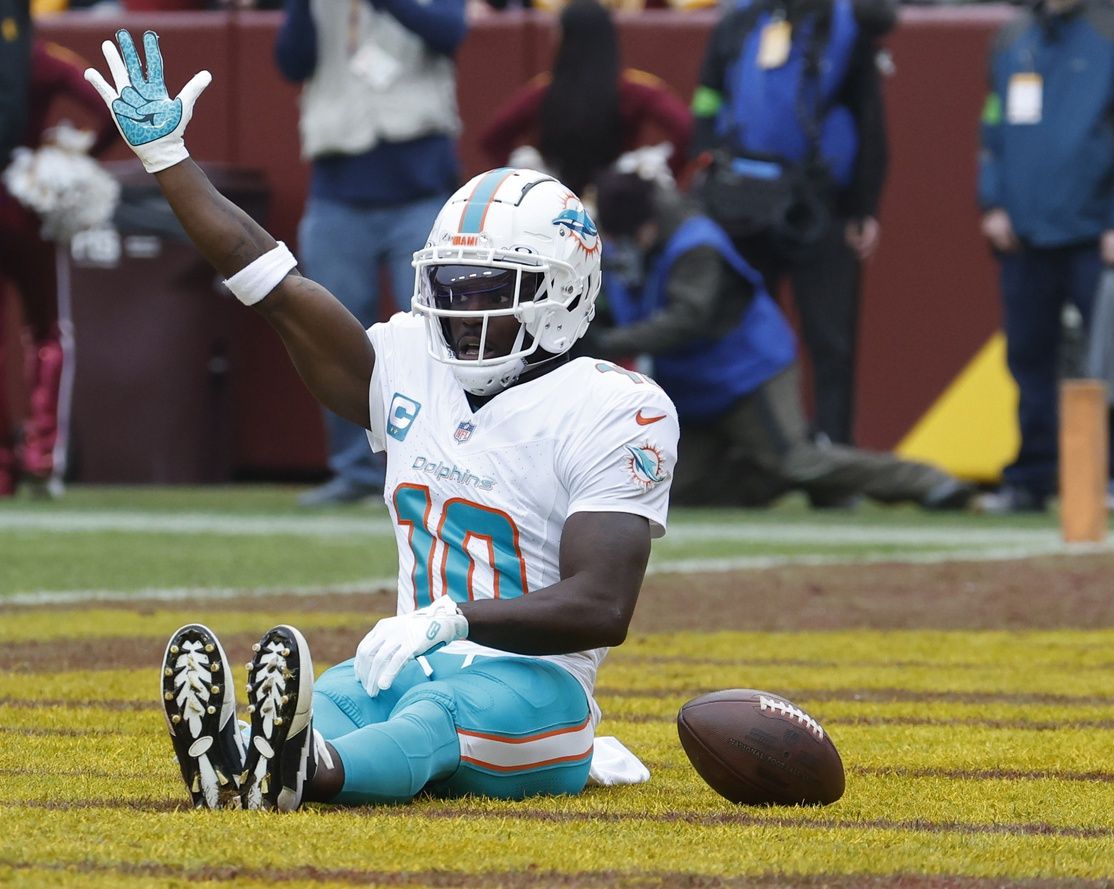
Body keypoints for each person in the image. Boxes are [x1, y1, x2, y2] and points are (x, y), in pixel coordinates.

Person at [87, 30, 677, 809]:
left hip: (538, 694)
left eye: (487, 289)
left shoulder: (613, 406)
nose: (462, 310)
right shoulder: (408, 361)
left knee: (437, 715)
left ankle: (306, 772)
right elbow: (271, 279)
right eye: (453, 286)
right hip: (409, 663)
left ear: (563, 294)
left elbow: (601, 604)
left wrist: (449, 619)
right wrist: (168, 159)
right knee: (338, 693)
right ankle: (241, 755)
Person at [588, 170, 970, 510]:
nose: (624, 244)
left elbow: (686, 320)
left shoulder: (696, 244)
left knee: (797, 461)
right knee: (670, 489)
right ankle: (781, 471)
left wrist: (607, 343)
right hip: (696, 388)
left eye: (627, 235)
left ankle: (928, 481)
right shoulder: (630, 243)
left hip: (749, 372)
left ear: (647, 222)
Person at [275, 0, 468, 506]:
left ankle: (450, 464)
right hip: (339, 187)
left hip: (420, 182)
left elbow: (450, 32)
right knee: (331, 331)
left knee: (442, 329)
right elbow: (290, 61)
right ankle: (356, 471)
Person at [974, 0, 1114, 515]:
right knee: (1029, 359)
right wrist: (992, 202)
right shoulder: (1013, 35)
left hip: (1095, 229)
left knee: (1110, 356)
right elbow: (992, 124)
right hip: (1025, 229)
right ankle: (1032, 477)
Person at [691, 0, 895, 452]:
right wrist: (707, 162)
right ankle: (750, 452)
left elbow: (867, 114)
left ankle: (834, 450)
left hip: (819, 203)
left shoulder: (845, 23)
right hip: (741, 202)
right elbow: (707, 96)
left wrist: (862, 206)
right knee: (742, 334)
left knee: (830, 339)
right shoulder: (739, 20)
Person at [0, 38, 118, 497]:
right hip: (24, 204)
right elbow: (108, 105)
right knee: (47, 328)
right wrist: (78, 155)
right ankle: (42, 454)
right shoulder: (41, 58)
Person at [477, 0, 693, 198]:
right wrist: (658, 170)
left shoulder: (543, 92)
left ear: (563, 38)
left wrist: (523, 181)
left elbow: (493, 138)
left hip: (556, 204)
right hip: (617, 208)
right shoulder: (633, 89)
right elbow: (687, 129)